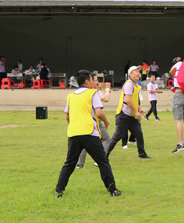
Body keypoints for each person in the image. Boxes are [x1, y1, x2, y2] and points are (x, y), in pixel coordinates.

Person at [55, 70, 121, 198]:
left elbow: (67, 116)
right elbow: (99, 112)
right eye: (92, 80)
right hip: (89, 133)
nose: (94, 82)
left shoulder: (71, 96)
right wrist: (106, 122)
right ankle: (112, 190)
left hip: (73, 133)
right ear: (87, 81)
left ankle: (59, 190)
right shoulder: (93, 93)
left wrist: (73, 125)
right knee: (103, 162)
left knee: (69, 163)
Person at [107, 66, 152, 159]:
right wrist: (136, 112)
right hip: (124, 115)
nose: (138, 73)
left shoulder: (136, 85)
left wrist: (139, 108)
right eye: (136, 71)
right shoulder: (129, 84)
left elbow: (134, 100)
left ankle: (142, 154)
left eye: (138, 71)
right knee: (117, 137)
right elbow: (128, 100)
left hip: (131, 116)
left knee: (139, 134)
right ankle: (104, 156)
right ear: (130, 74)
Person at [76, 74, 113, 168]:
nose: (96, 82)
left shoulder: (86, 92)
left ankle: (79, 164)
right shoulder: (92, 93)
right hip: (94, 120)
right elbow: (105, 99)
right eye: (94, 80)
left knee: (85, 142)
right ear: (88, 81)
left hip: (84, 120)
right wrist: (107, 91)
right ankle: (99, 160)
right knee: (107, 139)